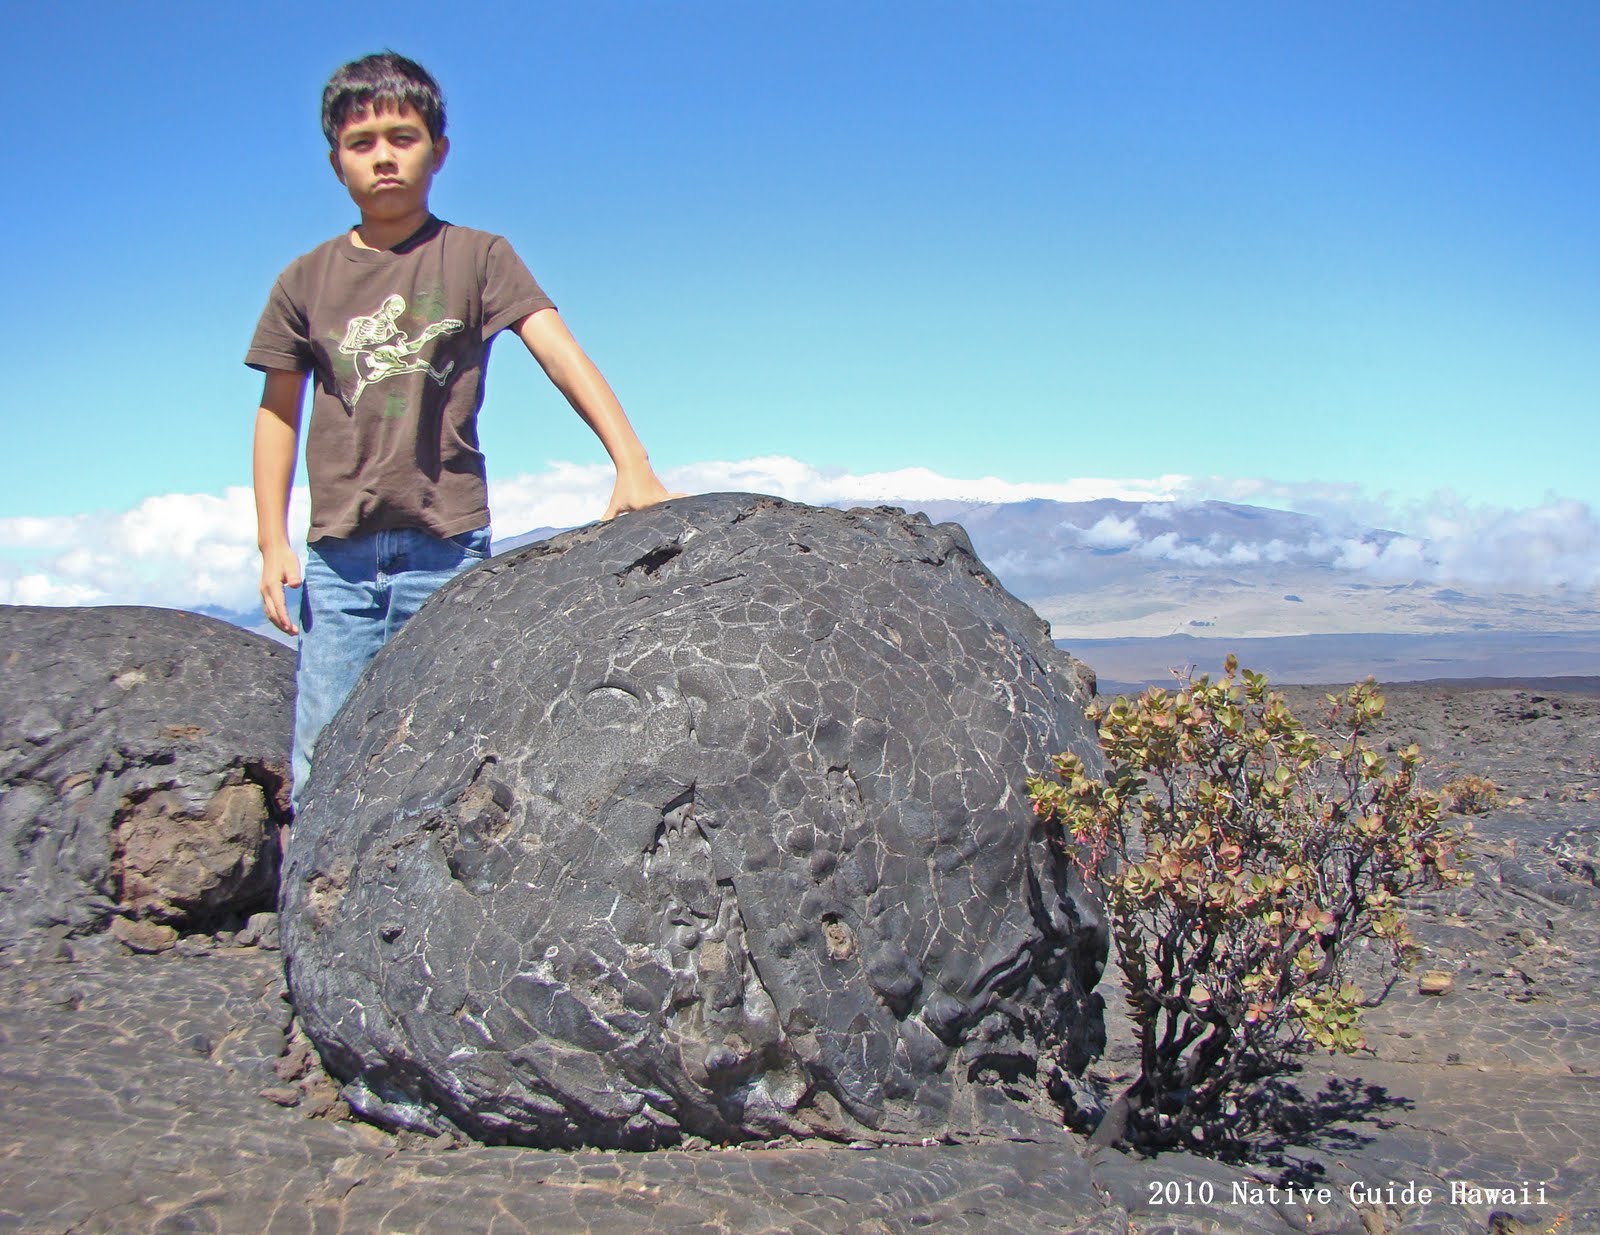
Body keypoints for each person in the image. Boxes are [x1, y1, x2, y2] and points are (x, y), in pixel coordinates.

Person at [247, 51, 676, 808]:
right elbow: (279, 411)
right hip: (338, 566)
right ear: (334, 161)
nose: (383, 156)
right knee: (322, 763)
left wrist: (631, 461)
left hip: (447, 551)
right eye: (361, 142)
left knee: (450, 766)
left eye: (402, 137)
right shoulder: (305, 280)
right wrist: (272, 540)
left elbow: (558, 350)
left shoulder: (477, 258)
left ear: (438, 150)